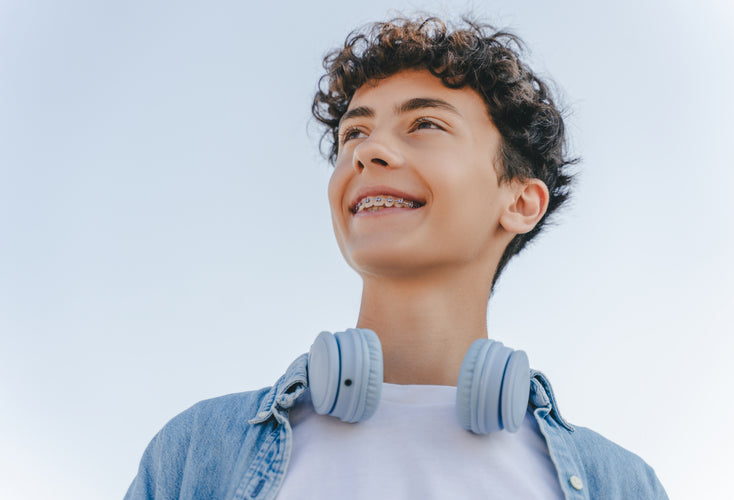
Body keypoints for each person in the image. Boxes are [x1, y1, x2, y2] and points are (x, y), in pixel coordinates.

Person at [125, 15, 668, 499]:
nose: (366, 150)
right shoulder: (198, 451)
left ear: (520, 202)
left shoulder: (618, 483)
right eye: (354, 133)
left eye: (424, 124)